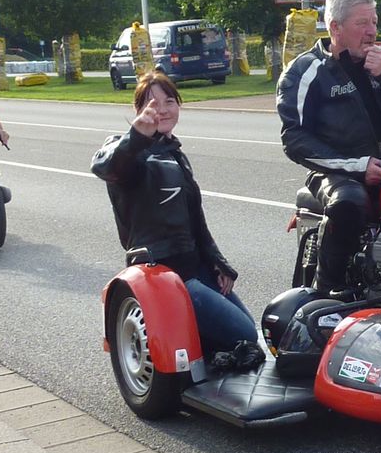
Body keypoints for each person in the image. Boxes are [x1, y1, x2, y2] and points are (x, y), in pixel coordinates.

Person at [277, 0, 381, 295]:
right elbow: (293, 138)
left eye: (374, 22)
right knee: (350, 202)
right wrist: (358, 166)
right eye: (362, 23)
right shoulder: (306, 71)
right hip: (335, 173)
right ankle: (324, 296)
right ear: (335, 27)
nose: (372, 31)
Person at [91, 72, 257, 354]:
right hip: (162, 274)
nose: (163, 109)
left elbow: (195, 219)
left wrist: (216, 261)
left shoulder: (173, 152)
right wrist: (136, 137)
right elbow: (106, 166)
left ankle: (200, 348)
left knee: (248, 329)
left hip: (193, 267)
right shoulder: (127, 149)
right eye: (153, 103)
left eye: (169, 101)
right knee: (244, 334)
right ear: (139, 110)